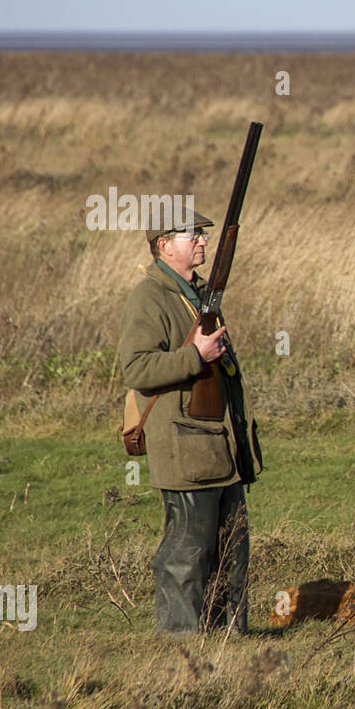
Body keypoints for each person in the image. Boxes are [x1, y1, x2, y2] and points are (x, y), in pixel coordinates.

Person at [118, 209, 262, 636]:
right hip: (185, 449)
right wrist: (195, 356)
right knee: (186, 550)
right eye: (191, 235)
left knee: (230, 546)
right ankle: (178, 641)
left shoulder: (197, 293)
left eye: (202, 234)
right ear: (164, 245)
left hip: (218, 447)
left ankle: (227, 636)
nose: (202, 241)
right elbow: (137, 369)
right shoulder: (151, 298)